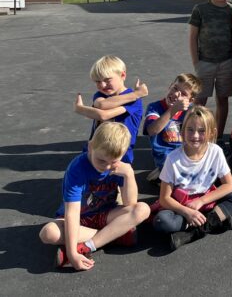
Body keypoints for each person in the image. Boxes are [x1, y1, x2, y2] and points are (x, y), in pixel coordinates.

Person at [39, 122, 151, 270]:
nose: (106, 166)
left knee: (143, 209)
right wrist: (72, 254)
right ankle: (115, 235)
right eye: (101, 160)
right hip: (81, 219)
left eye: (113, 162)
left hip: (105, 215)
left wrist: (129, 174)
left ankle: (87, 246)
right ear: (90, 146)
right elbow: (72, 213)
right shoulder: (77, 169)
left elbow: (130, 204)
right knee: (48, 233)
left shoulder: (120, 166)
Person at [151, 106, 232, 251]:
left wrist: (201, 201)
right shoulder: (173, 159)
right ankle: (215, 220)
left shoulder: (216, 152)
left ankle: (193, 233)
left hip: (206, 200)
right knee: (162, 221)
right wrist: (186, 212)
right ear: (182, 130)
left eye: (201, 131)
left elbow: (229, 186)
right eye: (190, 129)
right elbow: (164, 198)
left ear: (211, 133)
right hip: (183, 205)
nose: (195, 135)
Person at [188, 0, 232, 142]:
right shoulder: (200, 9)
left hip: (227, 63)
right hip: (204, 63)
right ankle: (196, 134)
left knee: (222, 100)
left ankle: (217, 136)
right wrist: (196, 63)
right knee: (200, 101)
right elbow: (193, 38)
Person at [73, 55, 147, 164]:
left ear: (123, 75)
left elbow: (103, 115)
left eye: (107, 80)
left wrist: (80, 109)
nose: (102, 85)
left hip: (119, 153)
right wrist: (136, 94)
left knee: (116, 180)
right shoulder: (100, 95)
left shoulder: (134, 100)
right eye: (97, 81)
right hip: (96, 149)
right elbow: (101, 105)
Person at [143, 73, 203, 183]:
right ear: (170, 86)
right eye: (175, 88)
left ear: (190, 100)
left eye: (183, 94)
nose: (176, 94)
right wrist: (172, 110)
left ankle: (164, 178)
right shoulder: (155, 107)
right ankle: (165, 177)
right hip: (165, 156)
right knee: (176, 168)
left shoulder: (191, 111)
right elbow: (152, 131)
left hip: (185, 154)